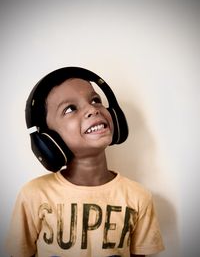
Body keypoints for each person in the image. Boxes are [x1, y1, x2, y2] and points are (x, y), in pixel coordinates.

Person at [6, 67, 165, 257]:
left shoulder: (138, 197)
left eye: (96, 100)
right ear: (49, 140)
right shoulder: (33, 195)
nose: (92, 109)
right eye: (70, 109)